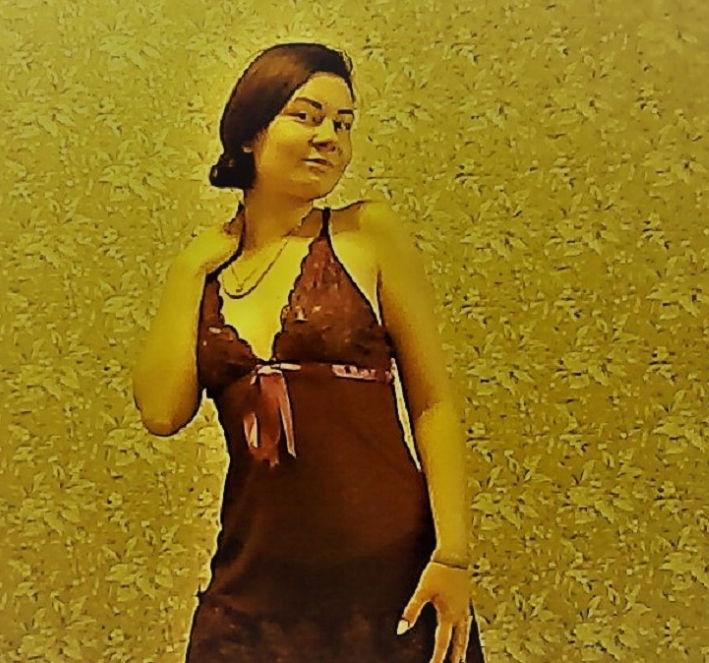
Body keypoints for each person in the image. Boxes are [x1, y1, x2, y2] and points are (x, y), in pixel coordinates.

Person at [132, 43, 487, 663]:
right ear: (251, 133)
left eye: (343, 124)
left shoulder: (366, 233)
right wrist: (187, 270)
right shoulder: (208, 269)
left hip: (393, 586)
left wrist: (452, 556)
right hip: (253, 590)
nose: (329, 138)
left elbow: (433, 402)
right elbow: (162, 413)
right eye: (307, 116)